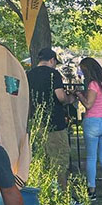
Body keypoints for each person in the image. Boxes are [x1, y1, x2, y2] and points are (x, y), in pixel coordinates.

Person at [26, 47, 75, 188]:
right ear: (52, 60)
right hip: (55, 123)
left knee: (42, 159)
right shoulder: (54, 74)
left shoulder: (29, 74)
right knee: (60, 159)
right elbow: (60, 97)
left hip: (37, 122)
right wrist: (70, 98)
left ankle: (44, 190)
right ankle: (63, 193)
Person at [75, 57, 102, 201]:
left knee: (91, 157)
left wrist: (79, 95)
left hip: (93, 122)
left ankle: (91, 189)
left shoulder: (93, 84)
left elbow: (89, 104)